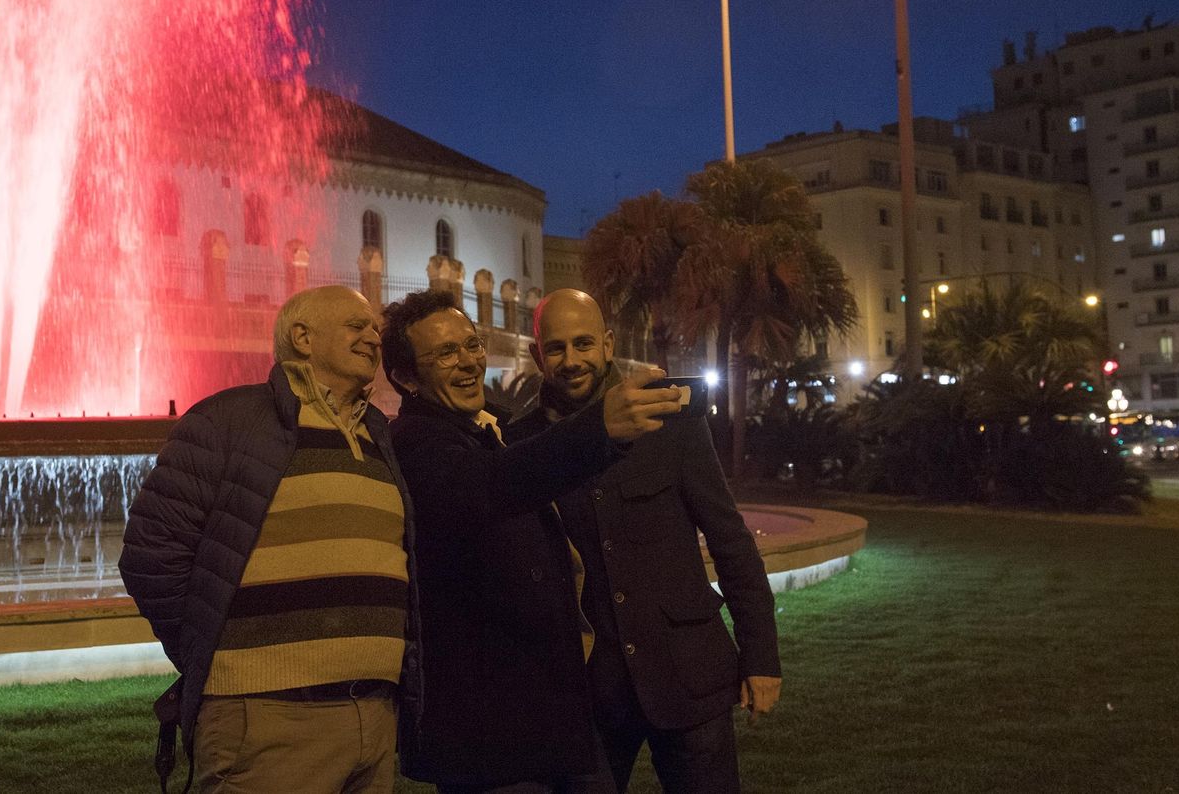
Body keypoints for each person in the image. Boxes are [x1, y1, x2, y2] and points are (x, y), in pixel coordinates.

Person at [119, 285, 419, 794]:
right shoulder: (227, 421)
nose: (374, 336)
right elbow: (152, 555)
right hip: (267, 719)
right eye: (357, 326)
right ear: (303, 337)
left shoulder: (378, 436)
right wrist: (216, 658)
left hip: (373, 718)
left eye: (375, 329)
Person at [380, 288, 682, 794]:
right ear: (407, 378)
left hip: (545, 716)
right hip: (489, 733)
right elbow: (492, 485)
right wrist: (598, 429)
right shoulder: (415, 442)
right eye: (445, 353)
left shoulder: (489, 426)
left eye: (471, 344)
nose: (468, 362)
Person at [507, 289, 781, 794]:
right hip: (585, 696)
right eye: (558, 348)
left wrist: (761, 656)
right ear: (537, 355)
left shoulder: (670, 422)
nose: (572, 361)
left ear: (609, 345)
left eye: (584, 343)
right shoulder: (518, 442)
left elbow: (730, 541)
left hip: (689, 676)